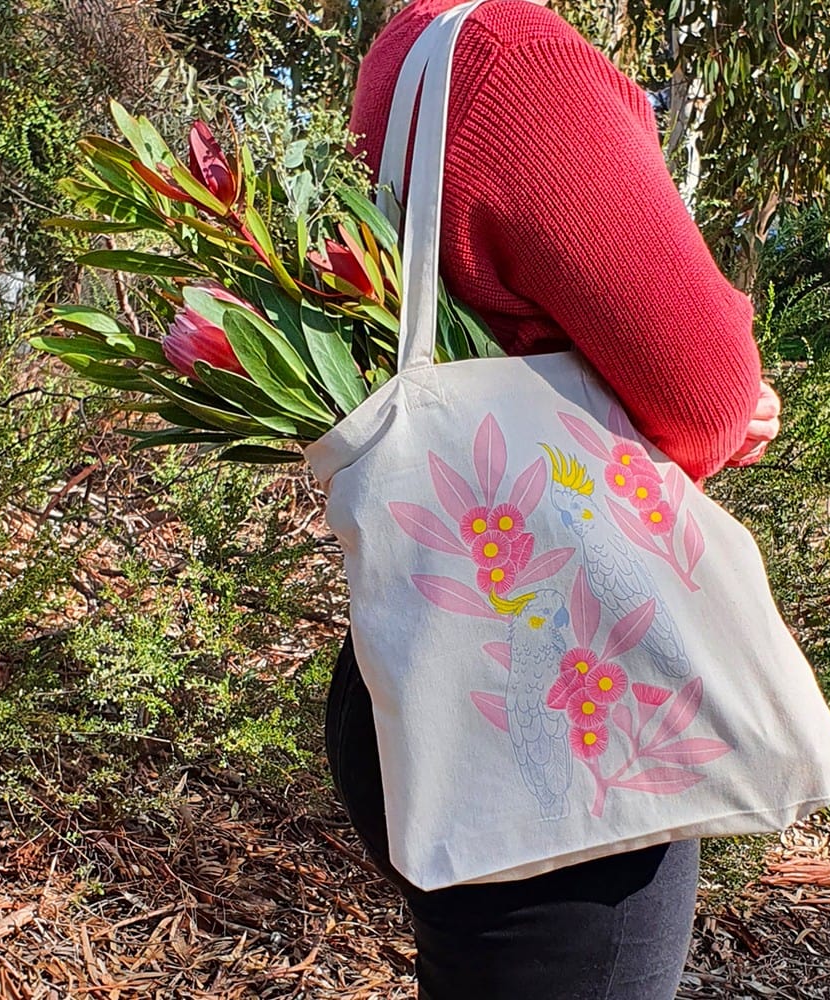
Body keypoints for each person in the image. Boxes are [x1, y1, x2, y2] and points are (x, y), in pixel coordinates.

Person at [325, 2, 781, 997]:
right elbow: (705, 389)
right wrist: (733, 393)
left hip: (425, 653)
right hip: (561, 690)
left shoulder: (411, 50)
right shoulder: (517, 59)